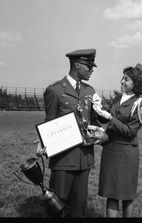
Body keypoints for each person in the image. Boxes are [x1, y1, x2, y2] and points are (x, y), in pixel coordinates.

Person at [37, 48, 105, 218]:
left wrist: (100, 133)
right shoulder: (55, 91)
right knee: (58, 207)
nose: (91, 70)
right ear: (77, 64)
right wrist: (42, 140)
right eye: (88, 66)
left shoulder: (90, 91)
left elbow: (94, 121)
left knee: (79, 209)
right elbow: (49, 122)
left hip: (84, 159)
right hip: (63, 159)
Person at [93, 64, 142, 217]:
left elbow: (130, 132)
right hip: (110, 150)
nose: (122, 81)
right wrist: (97, 109)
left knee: (126, 195)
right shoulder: (118, 98)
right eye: (122, 78)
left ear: (135, 84)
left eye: (126, 79)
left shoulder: (140, 103)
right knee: (111, 193)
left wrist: (109, 117)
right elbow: (107, 119)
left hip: (126, 152)